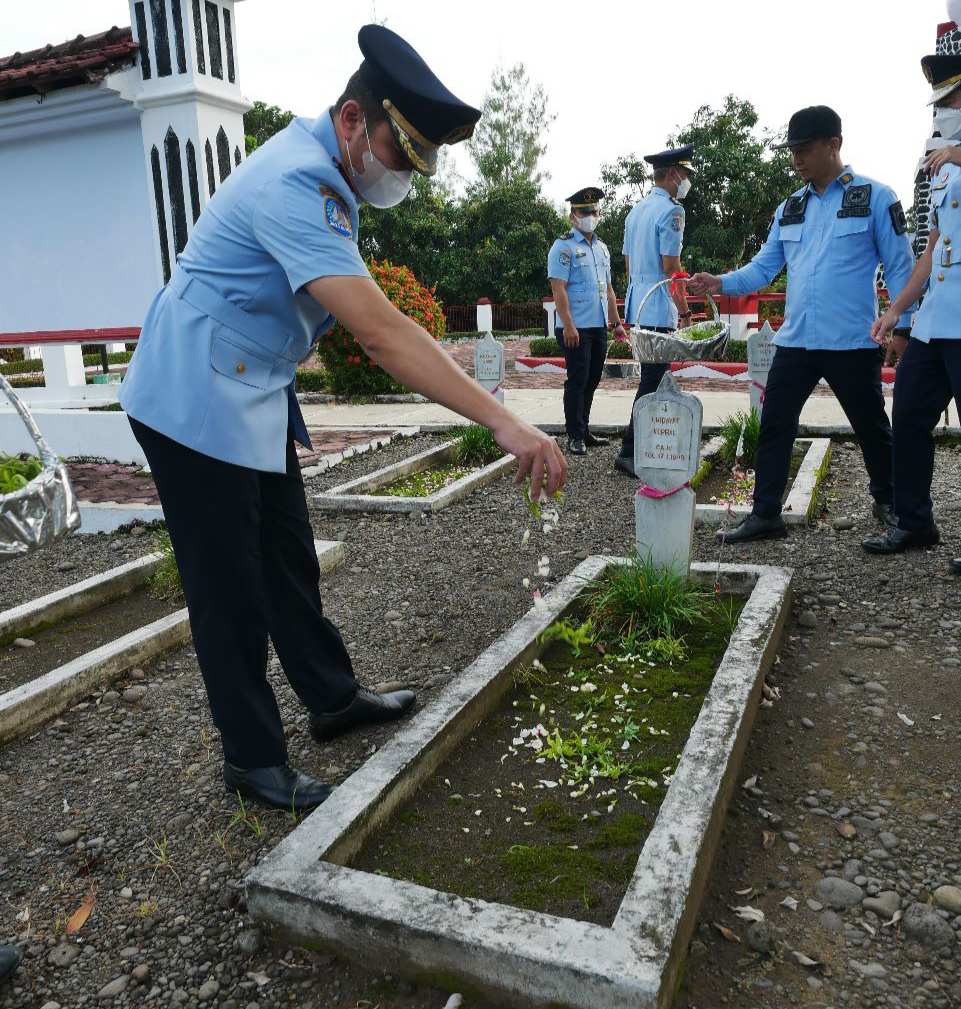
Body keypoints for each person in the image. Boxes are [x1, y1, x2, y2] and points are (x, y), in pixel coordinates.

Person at [118, 25, 567, 810]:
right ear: (354, 120)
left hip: (250, 386)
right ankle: (253, 759)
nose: (403, 176)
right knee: (227, 583)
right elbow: (379, 331)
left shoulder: (329, 177)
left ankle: (330, 697)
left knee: (287, 554)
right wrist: (504, 422)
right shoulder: (295, 182)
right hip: (191, 395)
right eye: (401, 155)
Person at [690, 106, 916, 542]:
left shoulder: (874, 198)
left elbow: (901, 267)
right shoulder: (790, 208)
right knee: (774, 424)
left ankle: (890, 502)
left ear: (834, 144)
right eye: (792, 150)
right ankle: (766, 513)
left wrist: (902, 325)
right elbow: (762, 269)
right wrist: (719, 282)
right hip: (797, 341)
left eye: (805, 148)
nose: (796, 158)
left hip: (852, 340)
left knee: (871, 426)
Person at [863, 54, 961, 565]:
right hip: (937, 319)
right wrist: (897, 310)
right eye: (940, 102)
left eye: (951, 99)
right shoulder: (942, 167)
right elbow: (932, 249)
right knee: (909, 415)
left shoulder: (954, 158)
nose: (943, 110)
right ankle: (915, 520)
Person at [615, 145, 694, 476]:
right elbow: (672, 267)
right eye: (686, 175)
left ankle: (639, 444)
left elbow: (628, 263)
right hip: (659, 306)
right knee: (652, 381)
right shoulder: (672, 212)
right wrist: (686, 312)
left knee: (653, 378)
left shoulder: (636, 212)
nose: (687, 181)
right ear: (674, 174)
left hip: (639, 304)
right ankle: (630, 450)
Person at [548, 187, 627, 455]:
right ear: (573, 216)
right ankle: (574, 435)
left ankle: (584, 429)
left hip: (598, 326)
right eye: (583, 212)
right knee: (577, 380)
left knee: (592, 379)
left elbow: (608, 289)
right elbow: (558, 289)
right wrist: (568, 324)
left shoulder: (602, 249)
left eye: (593, 211)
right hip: (575, 328)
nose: (589, 216)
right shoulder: (563, 246)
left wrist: (617, 323)